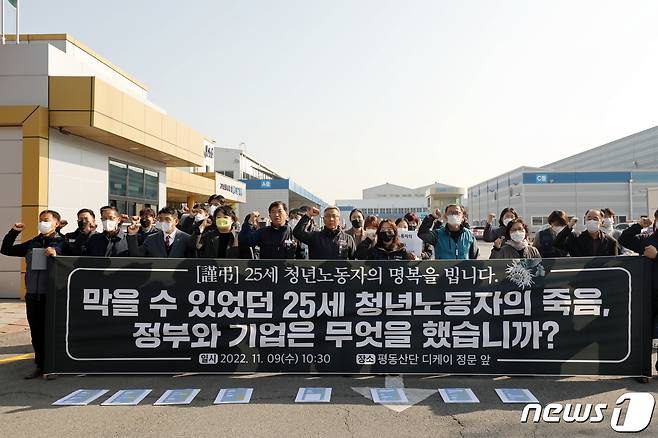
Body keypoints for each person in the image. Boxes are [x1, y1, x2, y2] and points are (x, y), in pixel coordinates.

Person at [1, 210, 64, 379]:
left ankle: (53, 367)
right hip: (32, 295)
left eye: (47, 220)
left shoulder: (62, 242)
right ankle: (40, 366)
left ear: (56, 224)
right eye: (41, 220)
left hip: (52, 296)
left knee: (51, 332)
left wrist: (56, 253)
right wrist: (14, 232)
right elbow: (6, 249)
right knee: (36, 333)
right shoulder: (33, 243)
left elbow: (71, 257)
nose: (43, 223)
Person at [618, 216, 658, 376]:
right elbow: (624, 239)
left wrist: (656, 256)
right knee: (644, 332)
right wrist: (639, 225)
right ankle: (643, 371)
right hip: (648, 292)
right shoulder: (647, 239)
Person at [127, 207, 195, 257]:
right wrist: (132, 234)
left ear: (176, 221)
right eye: (161, 219)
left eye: (167, 219)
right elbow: (136, 255)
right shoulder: (151, 239)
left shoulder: (186, 239)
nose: (163, 222)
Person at [553, 208, 619, 256]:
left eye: (595, 219)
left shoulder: (611, 241)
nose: (591, 221)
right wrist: (569, 226)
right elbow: (557, 243)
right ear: (585, 221)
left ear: (602, 222)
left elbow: (613, 263)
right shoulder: (576, 237)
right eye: (589, 219)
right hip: (580, 274)